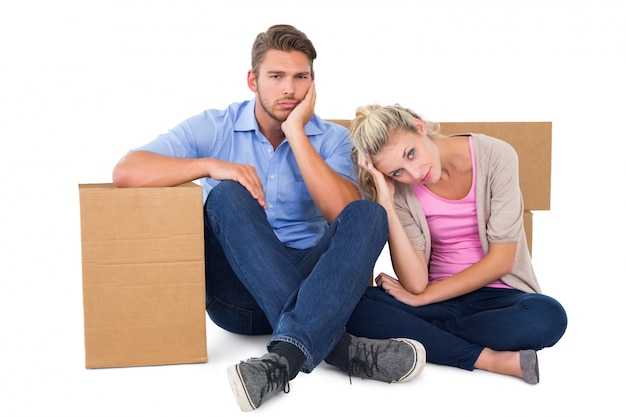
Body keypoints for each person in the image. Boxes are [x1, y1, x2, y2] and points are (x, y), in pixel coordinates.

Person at [112, 26, 425, 411]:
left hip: (316, 287)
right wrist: (212, 166)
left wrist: (297, 134)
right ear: (253, 80)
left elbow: (346, 216)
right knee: (226, 193)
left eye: (300, 77)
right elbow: (126, 171)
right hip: (237, 299)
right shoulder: (217, 125)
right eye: (276, 77)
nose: (289, 89)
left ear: (313, 83)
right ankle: (339, 349)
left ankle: (284, 359)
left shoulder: (332, 139)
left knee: (370, 212)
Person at [346, 103, 568, 385]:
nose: (414, 174)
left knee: (549, 317)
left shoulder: (496, 156)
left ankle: (423, 336)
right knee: (351, 304)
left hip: (500, 298)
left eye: (411, 153)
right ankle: (486, 358)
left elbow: (502, 260)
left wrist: (423, 298)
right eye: (397, 171)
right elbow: (414, 283)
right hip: (443, 302)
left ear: (419, 127)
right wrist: (386, 200)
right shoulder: (399, 190)